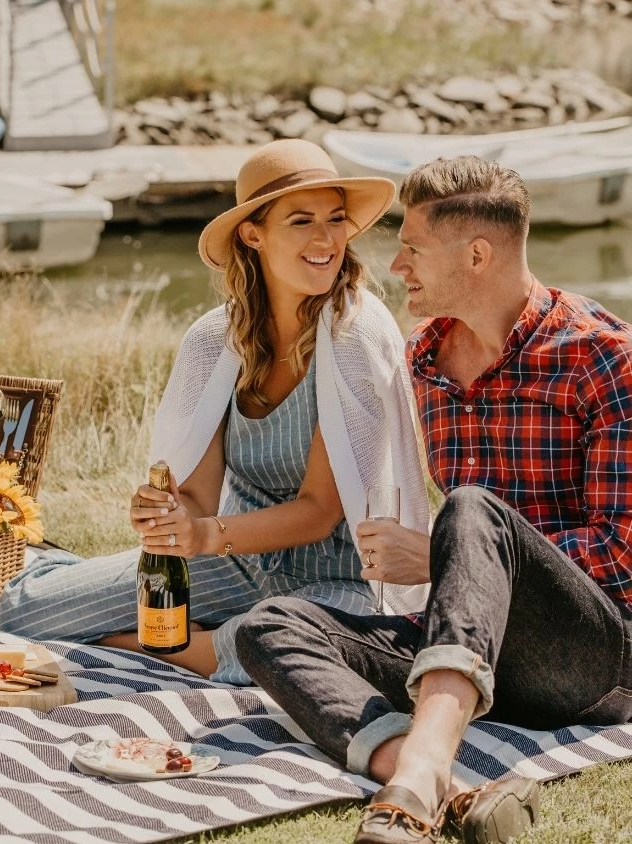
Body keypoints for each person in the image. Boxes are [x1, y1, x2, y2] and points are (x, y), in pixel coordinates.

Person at [235, 155, 632, 844]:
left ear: (477, 254)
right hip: (474, 655)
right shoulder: (421, 360)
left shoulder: (603, 357)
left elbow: (623, 554)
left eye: (412, 247)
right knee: (269, 626)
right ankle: (446, 786)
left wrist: (444, 555)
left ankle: (419, 768)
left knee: (471, 511)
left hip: (594, 662)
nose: (396, 265)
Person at [0, 139, 432, 683]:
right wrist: (172, 518)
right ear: (253, 233)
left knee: (284, 645)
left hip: (339, 579)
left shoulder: (355, 337)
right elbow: (198, 498)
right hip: (237, 561)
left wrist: (201, 536)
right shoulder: (214, 341)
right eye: (301, 221)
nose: (326, 239)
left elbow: (319, 510)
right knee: (24, 611)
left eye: (336, 219)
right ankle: (182, 636)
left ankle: (156, 644)